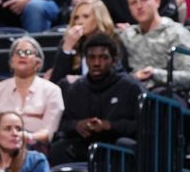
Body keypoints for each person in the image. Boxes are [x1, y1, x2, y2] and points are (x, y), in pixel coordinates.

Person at [49, 34, 143, 164]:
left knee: (125, 145)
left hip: (117, 145)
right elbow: (63, 123)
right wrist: (77, 125)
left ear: (114, 61)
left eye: (103, 58)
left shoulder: (130, 86)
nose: (96, 63)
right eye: (91, 58)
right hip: (85, 145)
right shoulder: (76, 88)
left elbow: (142, 125)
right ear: (85, 60)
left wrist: (109, 126)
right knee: (58, 149)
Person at [0, 37, 64, 146]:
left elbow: (48, 133)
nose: (22, 55)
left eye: (27, 52)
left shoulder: (52, 91)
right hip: (1, 145)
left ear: (38, 63)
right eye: (18, 52)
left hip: (35, 145)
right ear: (11, 62)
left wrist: (26, 137)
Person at [122, 0, 190, 92]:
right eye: (133, 3)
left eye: (144, 0)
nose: (139, 6)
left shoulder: (177, 33)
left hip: (168, 96)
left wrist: (154, 74)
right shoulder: (127, 35)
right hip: (133, 95)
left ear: (157, 2)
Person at [50, 0, 120, 84]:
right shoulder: (70, 43)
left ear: (98, 17)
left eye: (86, 16)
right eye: (76, 18)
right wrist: (67, 47)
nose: (79, 22)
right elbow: (56, 81)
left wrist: (82, 80)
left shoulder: (114, 40)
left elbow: (118, 74)